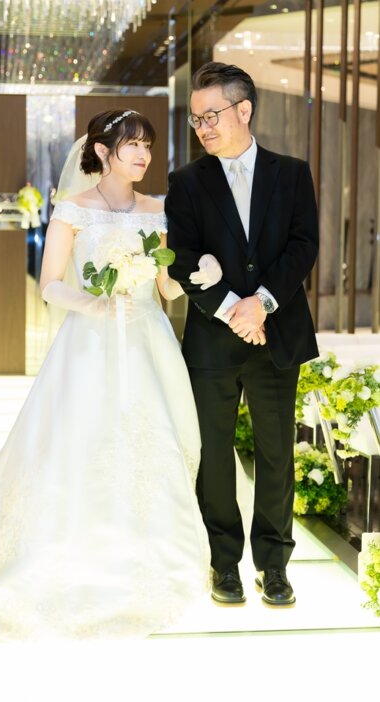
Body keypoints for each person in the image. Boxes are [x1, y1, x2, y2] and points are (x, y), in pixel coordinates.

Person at [0, 109, 221, 640]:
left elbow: (165, 287)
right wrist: (93, 303)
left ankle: (153, 552)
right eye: (132, 144)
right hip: (88, 342)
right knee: (78, 441)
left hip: (147, 341)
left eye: (148, 146)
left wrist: (200, 274)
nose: (143, 155)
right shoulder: (73, 209)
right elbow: (49, 284)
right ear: (104, 151)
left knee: (152, 442)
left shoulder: (157, 210)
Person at [165, 62, 319, 607]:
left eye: (212, 115)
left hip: (277, 334)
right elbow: (182, 259)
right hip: (213, 340)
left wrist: (263, 303)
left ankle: (274, 566)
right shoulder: (186, 182)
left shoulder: (292, 173)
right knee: (214, 454)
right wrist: (236, 309)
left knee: (277, 453)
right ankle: (224, 563)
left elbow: (303, 245)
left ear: (244, 109)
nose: (203, 128)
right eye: (196, 119)